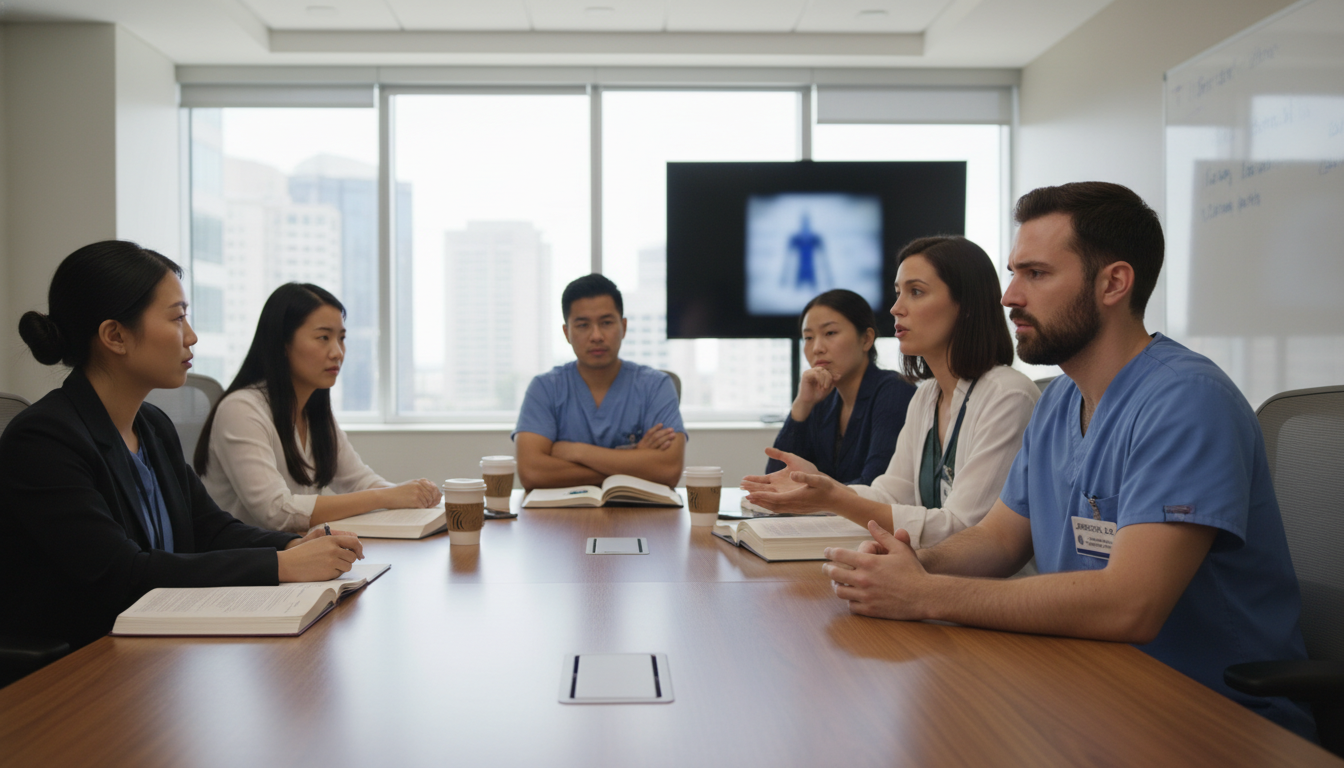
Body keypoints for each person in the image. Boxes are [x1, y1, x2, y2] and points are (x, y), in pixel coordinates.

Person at [821, 183, 1316, 740]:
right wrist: (909, 566)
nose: (1009, 296)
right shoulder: (1059, 399)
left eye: (1036, 274)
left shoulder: (1186, 400)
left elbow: (1131, 604)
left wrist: (926, 594)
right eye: (1013, 273)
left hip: (1210, 718)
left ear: (1114, 283)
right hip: (1092, 692)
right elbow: (1001, 541)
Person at [0, 241, 364, 650]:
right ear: (115, 335)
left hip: (152, 648)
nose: (190, 336)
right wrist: (281, 564)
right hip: (71, 666)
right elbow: (122, 575)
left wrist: (294, 544)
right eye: (177, 319)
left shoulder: (152, 426)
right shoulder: (44, 440)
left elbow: (210, 528)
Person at [744, 237, 1039, 549]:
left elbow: (963, 529)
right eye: (898, 293)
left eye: (916, 292)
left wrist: (832, 497)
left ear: (966, 306)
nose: (896, 308)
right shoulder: (927, 396)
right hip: (932, 577)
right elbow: (889, 494)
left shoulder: (1008, 396)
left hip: (987, 589)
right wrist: (821, 486)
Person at [196, 283, 441, 532]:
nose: (337, 352)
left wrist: (411, 495)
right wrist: (387, 497)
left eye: (341, 338)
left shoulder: (313, 410)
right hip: (249, 564)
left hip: (298, 556)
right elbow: (276, 511)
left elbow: (358, 481)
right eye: (323, 338)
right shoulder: (241, 410)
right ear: (283, 344)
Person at [514, 274, 685, 490]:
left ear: (624, 326)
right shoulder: (545, 388)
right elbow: (532, 472)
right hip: (559, 519)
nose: (596, 336)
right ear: (567, 333)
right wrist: (633, 459)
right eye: (583, 325)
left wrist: (577, 452)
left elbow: (668, 470)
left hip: (641, 518)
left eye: (606, 323)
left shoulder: (656, 385)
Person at [764, 289, 915, 486]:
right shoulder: (822, 399)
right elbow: (777, 479)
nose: (817, 347)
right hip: (832, 517)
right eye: (808, 337)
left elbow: (876, 487)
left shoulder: (894, 392)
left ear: (866, 339)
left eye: (830, 333)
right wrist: (802, 404)